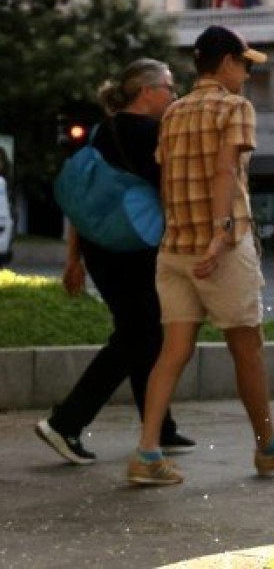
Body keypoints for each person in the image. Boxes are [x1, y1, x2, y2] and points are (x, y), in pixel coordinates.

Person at [127, 26, 274, 486]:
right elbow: (224, 170)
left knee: (173, 350)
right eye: (246, 65)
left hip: (175, 251)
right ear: (228, 62)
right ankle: (269, 448)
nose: (249, 75)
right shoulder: (235, 107)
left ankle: (147, 452)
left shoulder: (172, 112)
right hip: (221, 251)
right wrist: (219, 235)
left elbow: (168, 178)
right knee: (247, 347)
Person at [33, 60, 195, 465]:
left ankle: (160, 428)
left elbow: (86, 201)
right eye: (169, 88)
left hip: (99, 249)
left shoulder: (100, 131)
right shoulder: (149, 135)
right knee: (139, 335)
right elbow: (174, 195)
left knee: (144, 333)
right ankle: (66, 422)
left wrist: (75, 259)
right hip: (133, 249)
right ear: (146, 91)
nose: (173, 96)